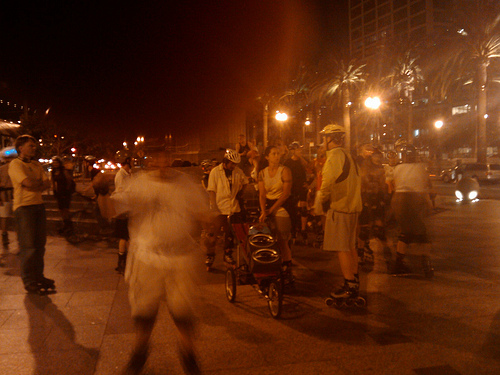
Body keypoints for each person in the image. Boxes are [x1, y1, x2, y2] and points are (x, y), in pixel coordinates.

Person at [112, 150, 211, 374]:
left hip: (182, 257)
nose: (162, 162)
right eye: (157, 158)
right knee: (145, 312)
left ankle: (188, 354)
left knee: (183, 312)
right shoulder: (138, 184)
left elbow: (202, 213)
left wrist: (210, 222)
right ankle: (139, 352)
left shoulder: (186, 183)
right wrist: (99, 194)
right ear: (149, 161)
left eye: (165, 157)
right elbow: (116, 208)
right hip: (147, 257)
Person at [319, 124, 363, 300]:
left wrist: (322, 200)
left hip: (341, 207)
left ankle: (349, 286)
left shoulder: (334, 156)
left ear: (330, 139)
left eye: (325, 138)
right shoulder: (348, 155)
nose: (324, 141)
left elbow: (327, 182)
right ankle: (354, 279)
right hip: (353, 207)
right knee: (351, 246)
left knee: (341, 248)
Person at [8, 135, 53, 294]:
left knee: (40, 245)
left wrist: (36, 185)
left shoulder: (36, 164)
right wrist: (37, 185)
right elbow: (28, 183)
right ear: (20, 148)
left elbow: (47, 183)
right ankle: (29, 280)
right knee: (28, 247)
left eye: (34, 146)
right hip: (24, 208)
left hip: (38, 207)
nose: (34, 148)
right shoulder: (15, 164)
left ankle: (39, 276)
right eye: (31, 146)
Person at [391, 141, 434, 277]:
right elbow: (424, 187)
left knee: (404, 233)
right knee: (422, 234)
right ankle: (425, 263)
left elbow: (395, 184)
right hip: (414, 199)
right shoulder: (420, 168)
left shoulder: (397, 168)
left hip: (399, 200)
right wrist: (428, 203)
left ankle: (398, 264)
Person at [205, 149, 248, 268]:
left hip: (233, 208)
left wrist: (241, 193)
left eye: (235, 164)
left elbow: (245, 181)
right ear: (226, 161)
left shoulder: (238, 171)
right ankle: (210, 255)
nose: (234, 166)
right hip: (219, 208)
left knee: (230, 234)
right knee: (213, 235)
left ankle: (227, 254)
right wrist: (213, 206)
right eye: (232, 164)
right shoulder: (215, 172)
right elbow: (212, 190)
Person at [257, 145, 294, 279]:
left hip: (281, 205)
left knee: (282, 238)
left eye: (278, 154)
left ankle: (287, 265)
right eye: (273, 154)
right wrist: (263, 211)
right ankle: (271, 264)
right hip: (267, 205)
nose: (277, 156)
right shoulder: (262, 173)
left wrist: (271, 210)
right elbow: (262, 194)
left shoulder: (285, 171)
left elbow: (286, 194)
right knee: (266, 238)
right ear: (267, 157)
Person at [357, 147, 389, 265]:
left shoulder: (381, 168)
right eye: (375, 156)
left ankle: (371, 248)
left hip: (377, 199)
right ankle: (361, 251)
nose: (377, 158)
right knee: (364, 227)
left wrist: (383, 197)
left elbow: (382, 185)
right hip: (366, 198)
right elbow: (362, 182)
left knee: (378, 227)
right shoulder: (365, 167)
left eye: (379, 156)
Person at [284, 141, 309, 245]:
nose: (299, 151)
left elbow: (308, 168)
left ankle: (303, 230)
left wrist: (308, 184)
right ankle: (293, 230)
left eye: (300, 149)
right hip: (292, 187)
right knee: (293, 210)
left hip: (302, 187)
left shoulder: (302, 161)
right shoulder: (287, 162)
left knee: (303, 208)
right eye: (297, 149)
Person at [113, 156, 132, 274]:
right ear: (127, 163)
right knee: (124, 237)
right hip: (122, 208)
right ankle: (122, 263)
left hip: (127, 208)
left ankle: (126, 262)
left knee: (127, 237)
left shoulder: (127, 174)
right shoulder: (121, 176)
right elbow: (121, 192)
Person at [51, 156, 76, 236]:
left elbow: (69, 180)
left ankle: (69, 225)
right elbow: (53, 181)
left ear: (59, 163)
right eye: (54, 163)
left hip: (65, 192)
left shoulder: (63, 171)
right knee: (61, 209)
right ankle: (65, 225)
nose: (55, 164)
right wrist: (54, 190)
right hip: (58, 193)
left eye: (56, 162)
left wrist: (67, 191)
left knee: (66, 209)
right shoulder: (53, 171)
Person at [0, 150, 16, 248]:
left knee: (4, 217)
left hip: (5, 194)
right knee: (6, 216)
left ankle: (4, 236)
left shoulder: (1, 168)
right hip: (9, 194)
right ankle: (5, 237)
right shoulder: (15, 168)